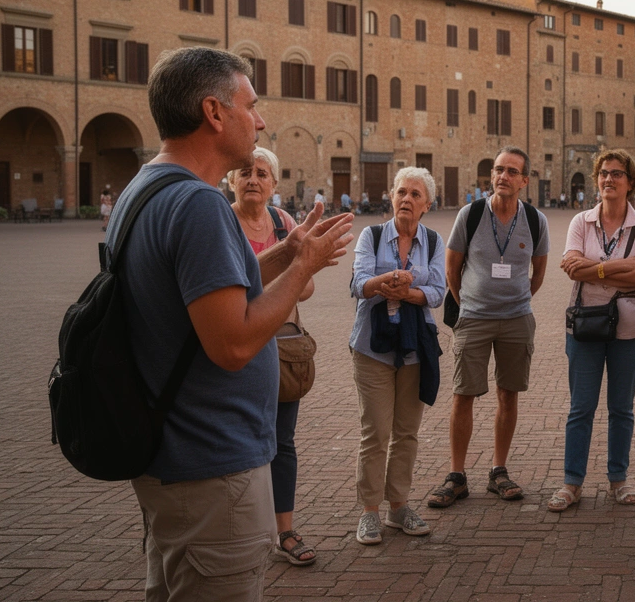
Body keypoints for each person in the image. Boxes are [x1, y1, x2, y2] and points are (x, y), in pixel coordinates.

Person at [115, 47, 352, 601]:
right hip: (209, 470)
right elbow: (234, 341)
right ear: (214, 113)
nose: (261, 119)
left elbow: (204, 292)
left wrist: (283, 253)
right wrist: (305, 268)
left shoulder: (147, 188)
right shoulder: (198, 205)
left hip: (172, 458)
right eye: (251, 104)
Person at [429, 147, 549, 509]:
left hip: (516, 319)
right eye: (499, 169)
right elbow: (452, 268)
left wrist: (517, 300)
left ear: (524, 180)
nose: (503, 176)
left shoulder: (534, 219)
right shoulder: (471, 214)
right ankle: (456, 475)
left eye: (512, 171)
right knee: (463, 394)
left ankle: (499, 470)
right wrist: (468, 305)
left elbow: (539, 271)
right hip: (474, 318)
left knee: (508, 394)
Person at [549, 150, 635, 511]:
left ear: (630, 182)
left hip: (631, 327)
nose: (609, 179)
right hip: (585, 325)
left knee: (621, 408)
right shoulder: (581, 221)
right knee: (580, 407)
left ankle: (618, 479)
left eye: (617, 174)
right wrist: (617, 267)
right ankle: (572, 483)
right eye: (603, 173)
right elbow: (570, 267)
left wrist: (593, 267)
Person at [229, 146, 317, 566]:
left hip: (282, 348)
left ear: (274, 185)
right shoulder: (220, 222)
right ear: (231, 179)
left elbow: (309, 286)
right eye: (245, 172)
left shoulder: (284, 224)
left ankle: (285, 530)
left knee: (282, 442)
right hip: (234, 346)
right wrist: (283, 280)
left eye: (262, 173)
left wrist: (273, 284)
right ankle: (239, 533)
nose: (253, 179)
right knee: (235, 441)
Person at [350, 167, 446, 543]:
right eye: (401, 192)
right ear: (391, 197)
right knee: (376, 432)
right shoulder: (371, 236)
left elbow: (438, 291)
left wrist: (407, 292)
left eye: (415, 195)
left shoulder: (435, 241)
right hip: (372, 346)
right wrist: (387, 282)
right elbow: (359, 285)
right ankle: (370, 511)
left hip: (414, 348)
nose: (407, 200)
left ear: (427, 205)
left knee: (406, 433)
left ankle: (399, 506)